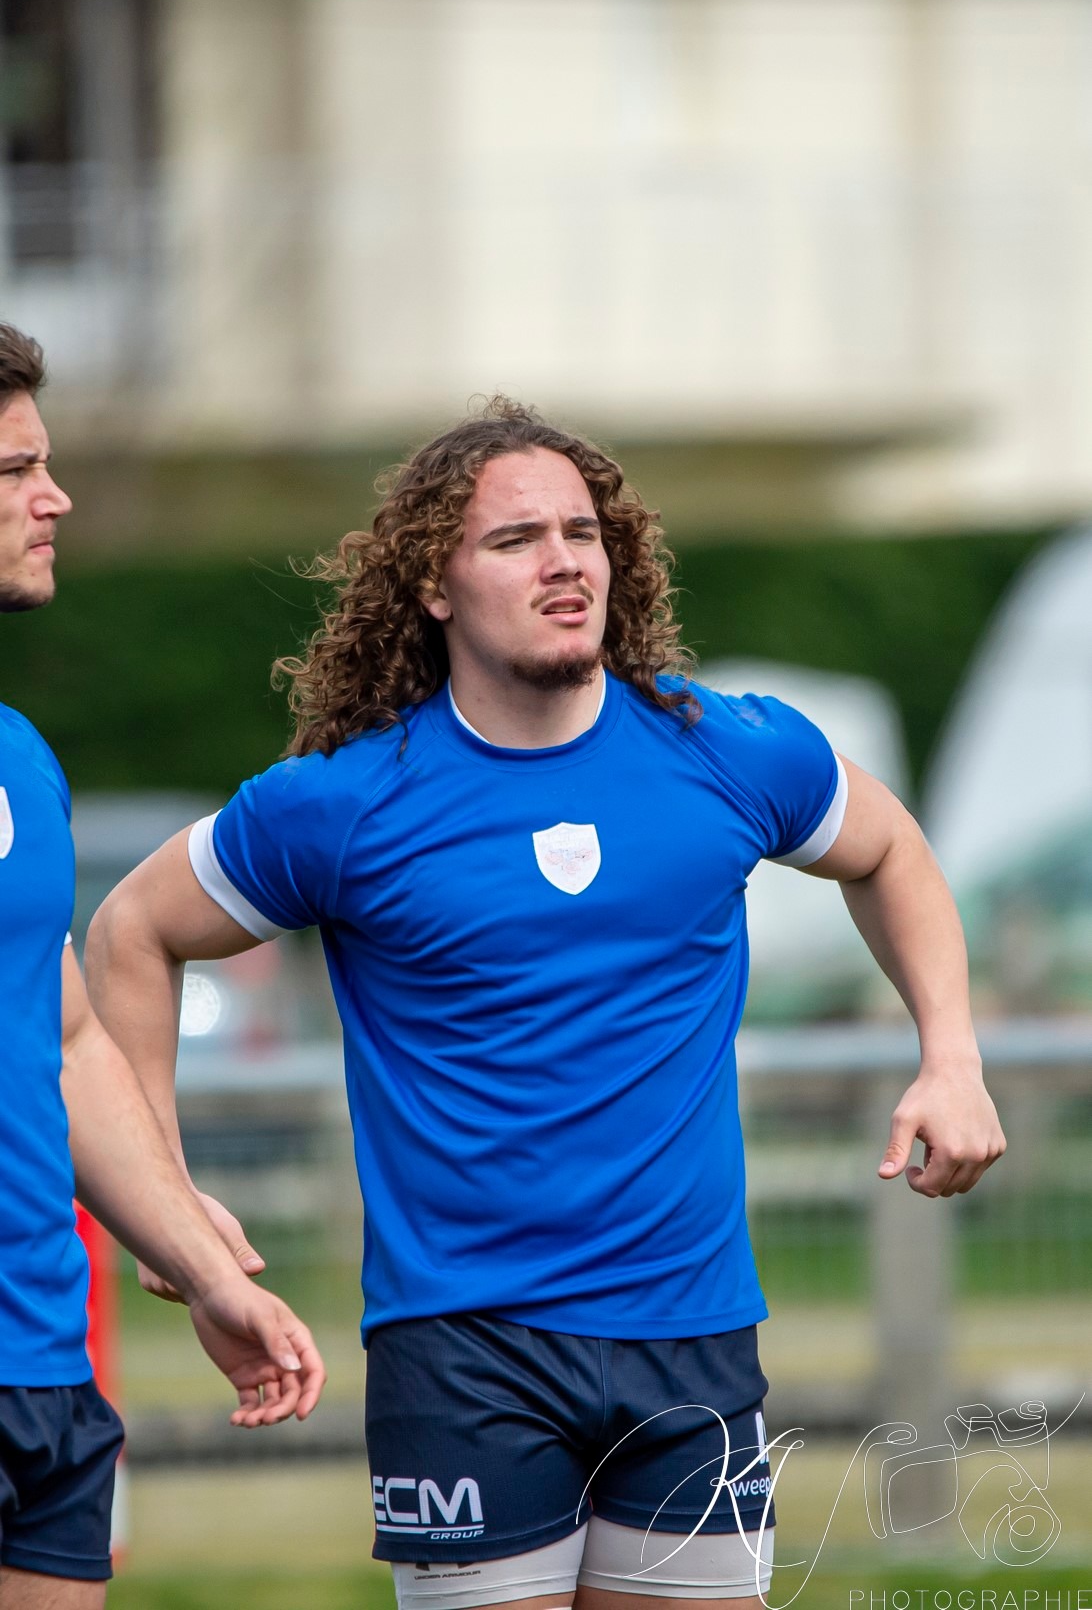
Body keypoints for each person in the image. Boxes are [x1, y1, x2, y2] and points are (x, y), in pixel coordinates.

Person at [86, 398, 1005, 1610]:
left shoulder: (725, 750)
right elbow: (131, 929)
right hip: (463, 1347)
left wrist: (952, 1054)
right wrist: (166, 1182)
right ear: (433, 584)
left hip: (693, 1335)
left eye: (583, 530)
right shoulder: (347, 804)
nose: (565, 559)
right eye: (516, 539)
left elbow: (888, 848)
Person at [0, 323, 326, 1609]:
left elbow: (66, 1036)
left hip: (42, 1357)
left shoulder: (21, 755)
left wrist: (198, 1262)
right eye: (17, 468)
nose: (55, 496)